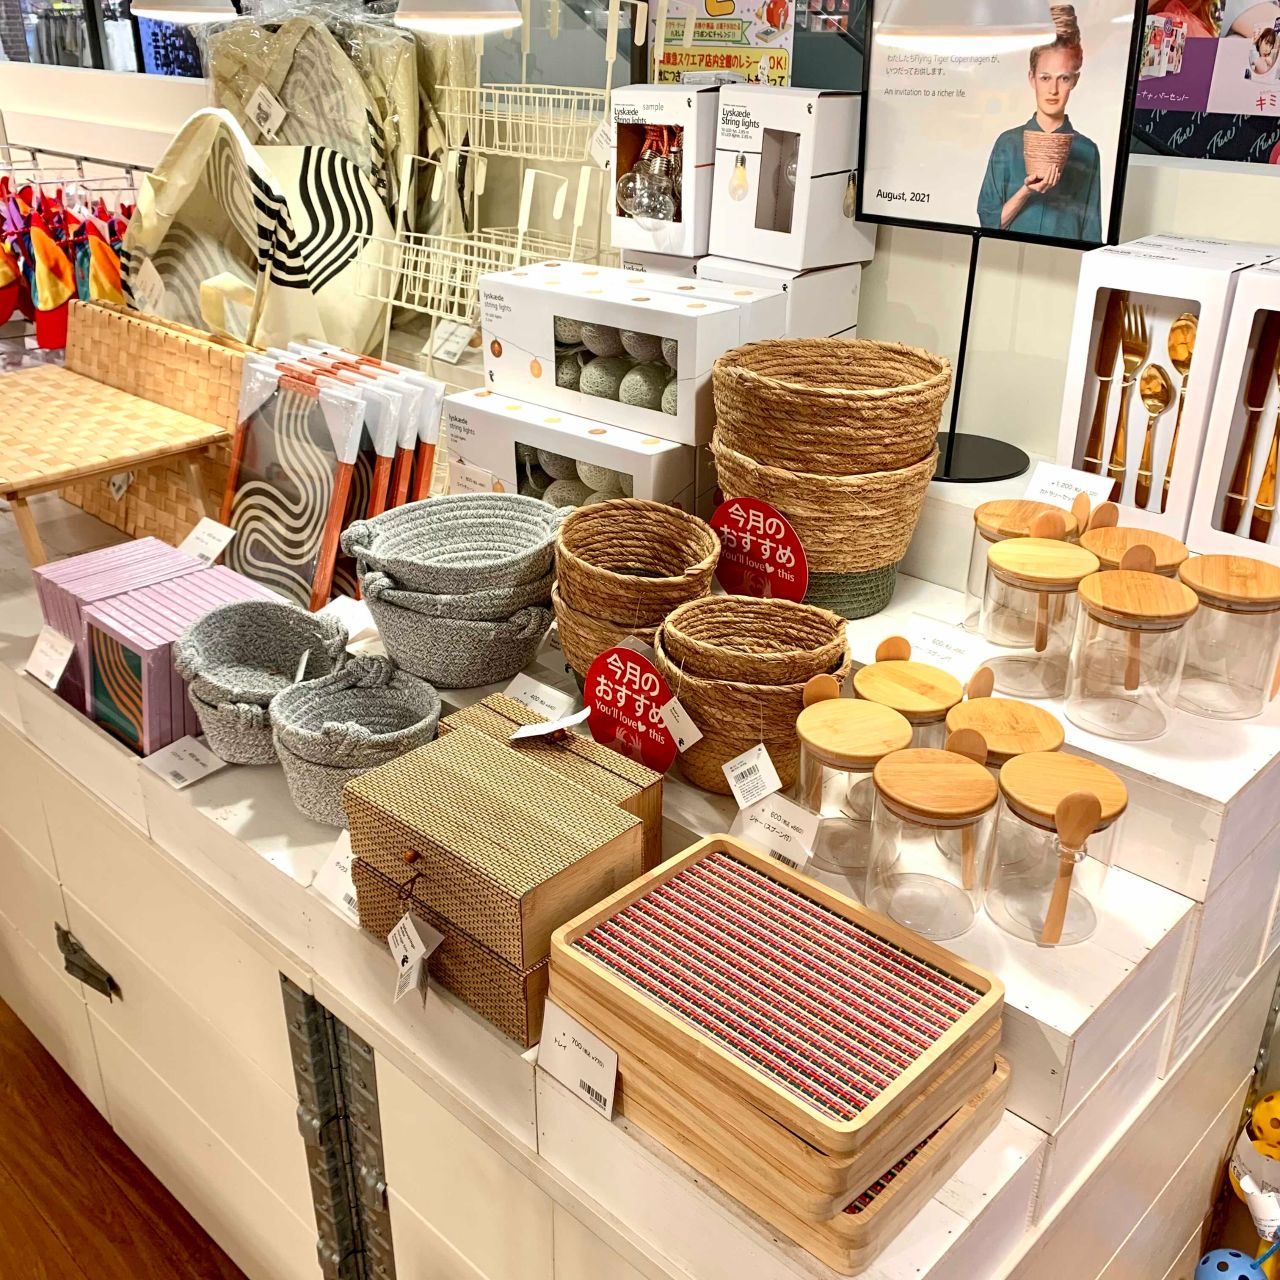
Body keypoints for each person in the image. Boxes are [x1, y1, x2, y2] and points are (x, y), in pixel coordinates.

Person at [977, 5, 1103, 241]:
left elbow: (1091, 232)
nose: (1053, 90)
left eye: (1063, 78)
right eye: (1045, 78)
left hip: (1062, 260)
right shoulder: (1008, 143)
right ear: (1032, 78)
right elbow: (988, 222)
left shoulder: (1087, 151)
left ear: (1074, 80)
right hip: (1008, 257)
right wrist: (1026, 191)